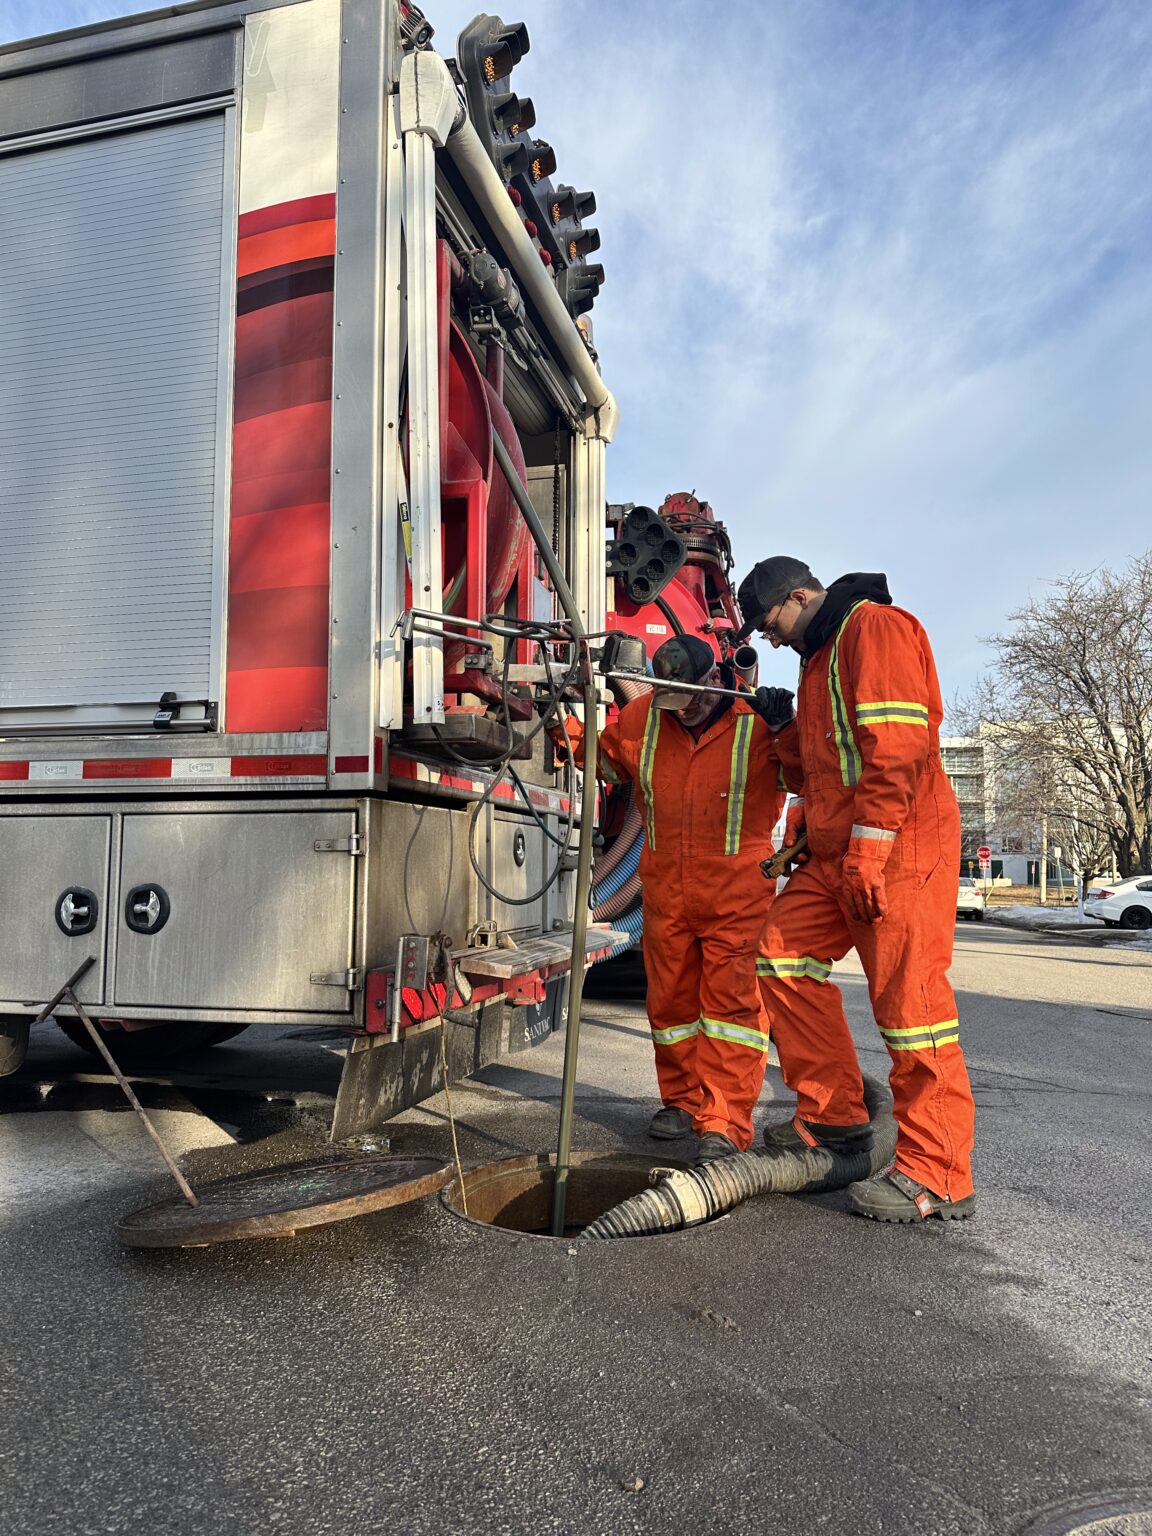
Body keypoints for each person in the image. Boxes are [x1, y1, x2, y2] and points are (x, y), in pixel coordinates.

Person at [736, 557, 977, 1221]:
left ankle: (939, 1175)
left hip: (899, 847)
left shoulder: (874, 629)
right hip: (843, 852)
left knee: (913, 1011)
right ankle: (838, 1119)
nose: (771, 639)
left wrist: (869, 855)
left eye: (770, 622)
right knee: (780, 957)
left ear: (800, 595)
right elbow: (816, 780)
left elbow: (896, 749)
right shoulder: (816, 665)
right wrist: (783, 727)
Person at [555, 634, 799, 1162]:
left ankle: (725, 1121)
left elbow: (806, 775)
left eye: (690, 700)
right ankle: (682, 1102)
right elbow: (607, 757)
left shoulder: (755, 724)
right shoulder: (648, 715)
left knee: (732, 1010)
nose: (683, 712)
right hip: (667, 890)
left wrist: (787, 730)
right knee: (671, 1006)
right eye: (673, 702)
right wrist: (559, 726)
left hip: (737, 895)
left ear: (715, 680)